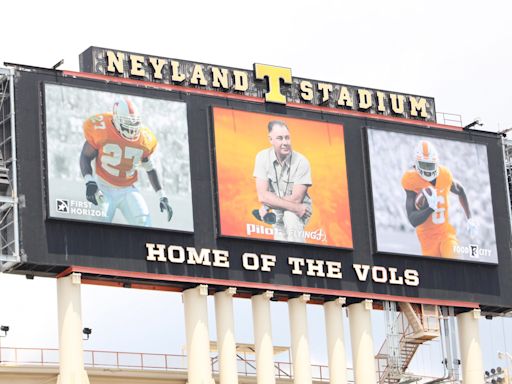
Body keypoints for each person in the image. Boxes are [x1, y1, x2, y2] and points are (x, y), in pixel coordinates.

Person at [79, 98, 173, 226]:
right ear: (116, 120)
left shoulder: (144, 140)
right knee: (98, 229)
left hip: (127, 189)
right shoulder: (102, 129)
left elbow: (150, 168)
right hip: (103, 187)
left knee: (144, 223)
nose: (132, 129)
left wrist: (162, 195)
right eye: (127, 124)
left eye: (134, 124)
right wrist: (89, 181)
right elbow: (85, 156)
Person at [401, 140, 477, 258]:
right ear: (416, 165)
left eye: (430, 164)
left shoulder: (444, 175)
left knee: (455, 261)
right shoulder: (410, 180)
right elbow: (412, 220)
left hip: (446, 234)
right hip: (427, 240)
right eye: (424, 165)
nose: (427, 168)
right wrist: (430, 208)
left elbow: (460, 190)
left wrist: (470, 219)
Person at [253, 120, 312, 242]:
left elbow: (296, 199)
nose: (285, 142)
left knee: (290, 216)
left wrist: (267, 205)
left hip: (301, 210)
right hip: (277, 209)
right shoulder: (262, 157)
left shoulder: (302, 161)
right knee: (280, 245)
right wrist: (267, 203)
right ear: (271, 140)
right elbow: (262, 196)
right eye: (280, 138)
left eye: (287, 138)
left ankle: (300, 255)